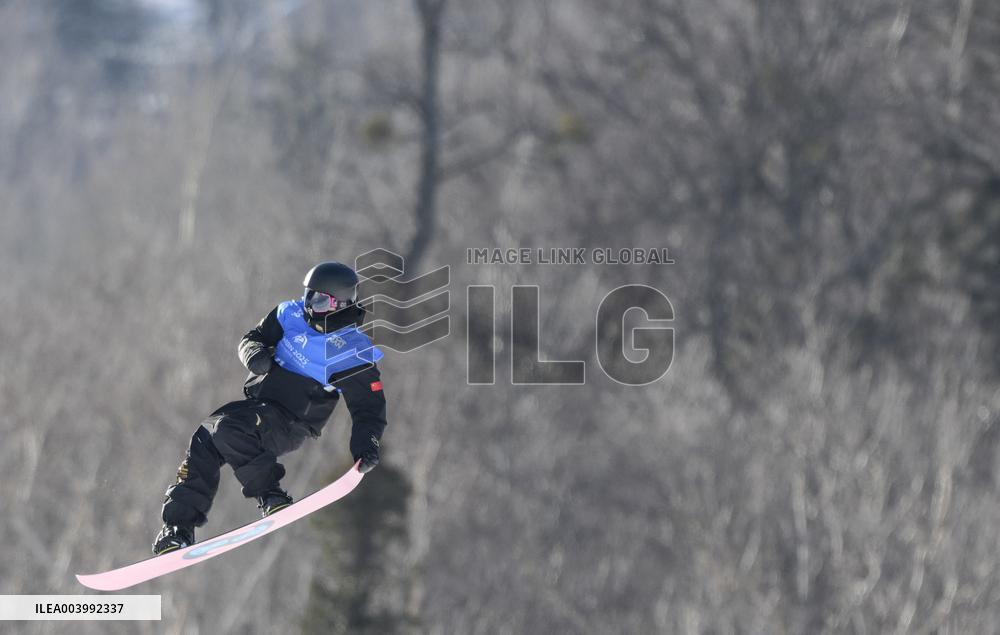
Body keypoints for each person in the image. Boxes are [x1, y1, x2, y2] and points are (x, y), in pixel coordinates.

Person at [152, 261, 387, 555]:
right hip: (260, 406)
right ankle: (178, 527)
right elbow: (253, 338)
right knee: (205, 437)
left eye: (319, 300)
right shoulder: (289, 314)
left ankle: (270, 494)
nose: (309, 306)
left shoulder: (352, 352)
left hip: (291, 422)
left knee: (226, 430)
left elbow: (369, 408)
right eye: (308, 296)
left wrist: (367, 445)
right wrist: (255, 355)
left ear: (340, 304)